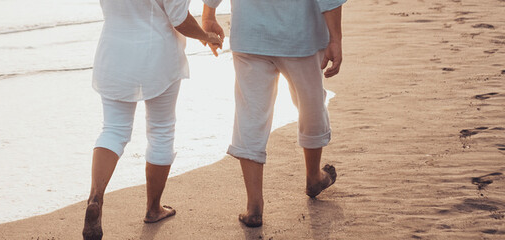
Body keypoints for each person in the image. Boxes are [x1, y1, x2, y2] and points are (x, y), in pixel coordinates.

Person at [82, 0, 222, 239]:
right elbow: (178, 18)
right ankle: (153, 208)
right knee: (161, 130)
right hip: (158, 53)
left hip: (114, 52)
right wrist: (206, 35)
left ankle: (96, 197)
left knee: (113, 130)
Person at [200, 0, 346, 227]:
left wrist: (209, 14)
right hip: (300, 35)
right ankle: (314, 177)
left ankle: (254, 206)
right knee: (311, 105)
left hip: (251, 35)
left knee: (250, 114)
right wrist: (336, 39)